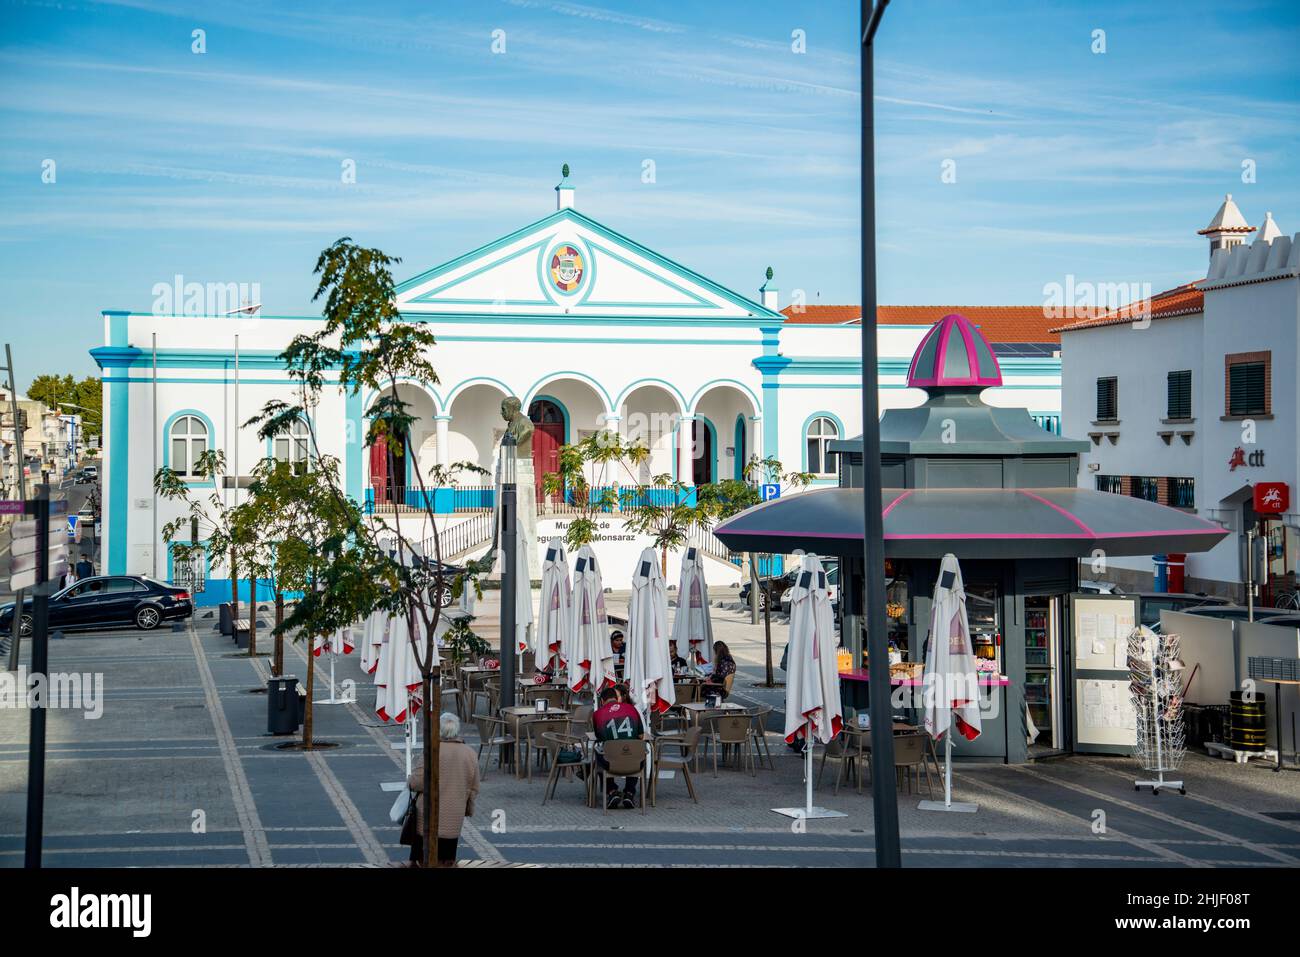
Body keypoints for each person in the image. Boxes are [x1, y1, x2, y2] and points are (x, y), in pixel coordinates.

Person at [407, 712, 480, 867]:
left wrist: (409, 781)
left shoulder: (431, 751)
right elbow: (474, 788)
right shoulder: (470, 753)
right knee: (447, 861)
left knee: (424, 861)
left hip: (427, 818)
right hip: (453, 818)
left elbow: (416, 783)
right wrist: (468, 809)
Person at [591, 684, 644, 809]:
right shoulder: (632, 709)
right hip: (634, 763)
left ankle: (611, 791)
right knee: (636, 752)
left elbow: (600, 738)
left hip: (611, 763)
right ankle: (629, 793)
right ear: (617, 698)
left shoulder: (597, 714)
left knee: (598, 753)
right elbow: (641, 736)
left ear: (602, 701)